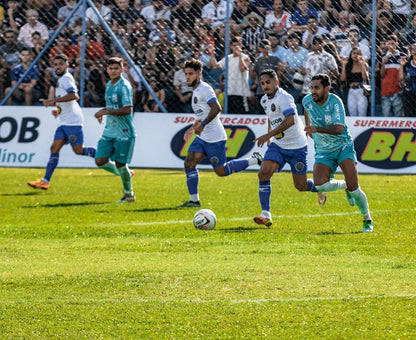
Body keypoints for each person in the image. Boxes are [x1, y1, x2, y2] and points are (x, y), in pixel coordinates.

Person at [177, 58, 263, 208]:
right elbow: (202, 114)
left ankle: (254, 160)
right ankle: (194, 201)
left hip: (215, 138)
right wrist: (193, 127)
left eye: (191, 74)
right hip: (203, 137)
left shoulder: (205, 89)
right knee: (189, 163)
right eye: (186, 74)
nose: (188, 77)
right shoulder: (196, 91)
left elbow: (216, 109)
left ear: (199, 74)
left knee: (221, 171)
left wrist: (202, 125)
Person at [253, 69, 325, 227]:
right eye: (263, 83)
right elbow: (271, 119)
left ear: (276, 82)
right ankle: (266, 214)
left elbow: (290, 120)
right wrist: (269, 136)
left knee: (301, 186)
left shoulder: (285, 97)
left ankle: (319, 188)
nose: (265, 86)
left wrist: (268, 135)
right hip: (278, 145)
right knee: (264, 173)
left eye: (268, 83)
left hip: (297, 146)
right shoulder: (264, 100)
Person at [303, 73, 373, 233]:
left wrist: (316, 129)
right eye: (311, 87)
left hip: (343, 147)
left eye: (317, 88)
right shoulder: (307, 101)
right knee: (321, 184)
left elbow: (338, 128)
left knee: (355, 187)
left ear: (327, 88)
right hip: (323, 150)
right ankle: (344, 186)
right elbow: (307, 112)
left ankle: (367, 219)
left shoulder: (335, 102)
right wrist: (309, 127)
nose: (313, 91)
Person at [27, 54, 96, 190]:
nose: (57, 67)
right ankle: (45, 181)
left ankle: (107, 155)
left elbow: (74, 96)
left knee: (79, 150)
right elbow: (65, 101)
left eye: (60, 64)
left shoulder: (66, 78)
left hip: (73, 122)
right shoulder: (59, 80)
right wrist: (58, 110)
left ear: (67, 65)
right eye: (55, 64)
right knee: (54, 148)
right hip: (64, 122)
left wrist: (53, 101)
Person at [94, 57, 136, 203]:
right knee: (100, 160)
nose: (113, 71)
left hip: (124, 131)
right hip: (110, 130)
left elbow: (127, 109)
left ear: (122, 70)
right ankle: (127, 173)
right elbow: (113, 107)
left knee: (120, 164)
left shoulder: (124, 86)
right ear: (107, 70)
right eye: (111, 68)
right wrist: (102, 111)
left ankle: (129, 195)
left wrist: (105, 112)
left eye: (116, 68)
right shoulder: (108, 85)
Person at [208, 36, 251, 114]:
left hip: (241, 93)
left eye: (237, 45)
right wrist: (212, 54)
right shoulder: (228, 58)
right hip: (229, 92)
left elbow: (242, 69)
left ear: (241, 46)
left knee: (242, 114)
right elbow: (215, 66)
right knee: (230, 114)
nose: (235, 47)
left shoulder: (246, 57)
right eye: (234, 45)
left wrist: (240, 55)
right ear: (231, 47)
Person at [340, 47, 369, 116]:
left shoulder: (364, 64)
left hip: (361, 90)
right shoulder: (348, 65)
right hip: (351, 91)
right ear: (351, 55)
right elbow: (342, 78)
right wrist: (344, 65)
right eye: (354, 53)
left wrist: (362, 64)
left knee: (362, 113)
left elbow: (365, 77)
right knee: (352, 113)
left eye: (358, 53)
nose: (356, 55)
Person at [399, 44, 416, 117]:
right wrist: (402, 66)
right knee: (409, 116)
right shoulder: (407, 65)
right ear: (411, 52)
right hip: (408, 94)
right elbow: (401, 79)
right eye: (414, 49)